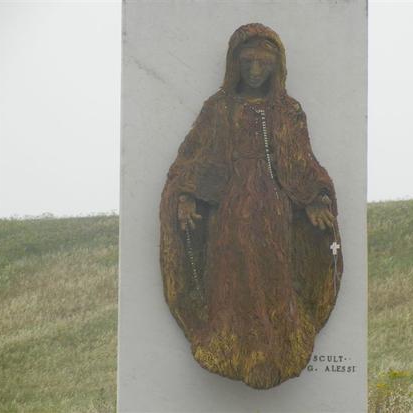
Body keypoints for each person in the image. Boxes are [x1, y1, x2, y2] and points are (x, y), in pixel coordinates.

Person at [159, 23, 343, 389]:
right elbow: (197, 158)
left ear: (278, 66)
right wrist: (187, 196)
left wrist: (313, 199)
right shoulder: (218, 109)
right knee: (230, 269)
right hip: (229, 208)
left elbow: (300, 164)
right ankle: (229, 345)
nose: (256, 71)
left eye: (264, 64)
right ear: (235, 64)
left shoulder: (288, 111)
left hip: (273, 208)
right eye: (248, 63)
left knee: (273, 269)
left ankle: (275, 349)